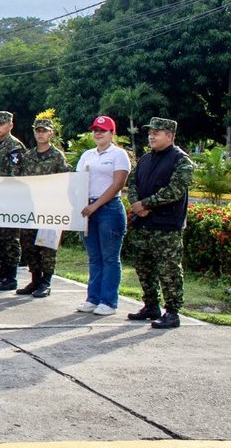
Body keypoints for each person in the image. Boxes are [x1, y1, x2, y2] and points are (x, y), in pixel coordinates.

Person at [124, 117, 194, 329]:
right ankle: (151, 306)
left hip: (166, 227)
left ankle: (172, 312)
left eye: (157, 132)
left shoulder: (181, 161)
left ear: (170, 136)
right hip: (143, 225)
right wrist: (136, 203)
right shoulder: (146, 159)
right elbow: (133, 182)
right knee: (144, 268)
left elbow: (174, 191)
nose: (151, 136)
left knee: (169, 271)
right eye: (150, 132)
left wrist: (146, 204)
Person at [75, 115, 131, 317]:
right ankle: (93, 298)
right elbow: (77, 181)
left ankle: (108, 301)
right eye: (95, 130)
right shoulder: (87, 155)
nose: (98, 133)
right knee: (94, 257)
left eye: (103, 130)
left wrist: (96, 205)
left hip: (108, 208)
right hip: (87, 208)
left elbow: (118, 184)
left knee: (109, 257)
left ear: (112, 133)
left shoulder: (118, 155)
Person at [16, 118, 70, 298]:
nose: (40, 134)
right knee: (29, 245)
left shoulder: (57, 156)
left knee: (47, 246)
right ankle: (35, 279)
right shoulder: (28, 156)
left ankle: (46, 282)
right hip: (30, 207)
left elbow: (65, 181)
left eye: (44, 131)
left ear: (51, 134)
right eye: (38, 130)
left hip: (50, 207)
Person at [0, 110, 26, 291]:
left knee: (11, 239)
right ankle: (3, 273)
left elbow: (15, 174)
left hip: (11, 199)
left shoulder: (14, 146)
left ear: (10, 125)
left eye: (1, 123)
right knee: (0, 238)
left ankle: (11, 276)